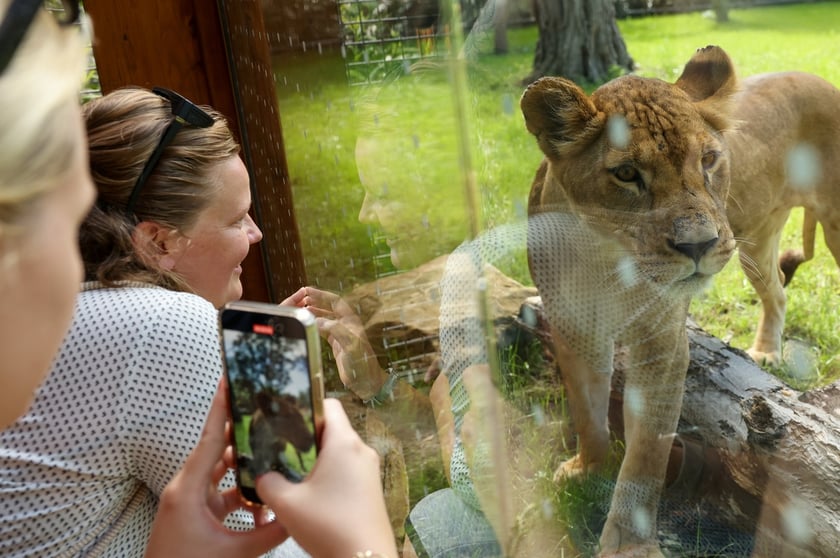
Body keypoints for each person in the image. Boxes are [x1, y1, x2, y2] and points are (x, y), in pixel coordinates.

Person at [0, 80, 396, 558]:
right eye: (236, 219)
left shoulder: (53, 311)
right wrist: (369, 525)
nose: (256, 233)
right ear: (158, 242)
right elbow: (270, 545)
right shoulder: (156, 325)